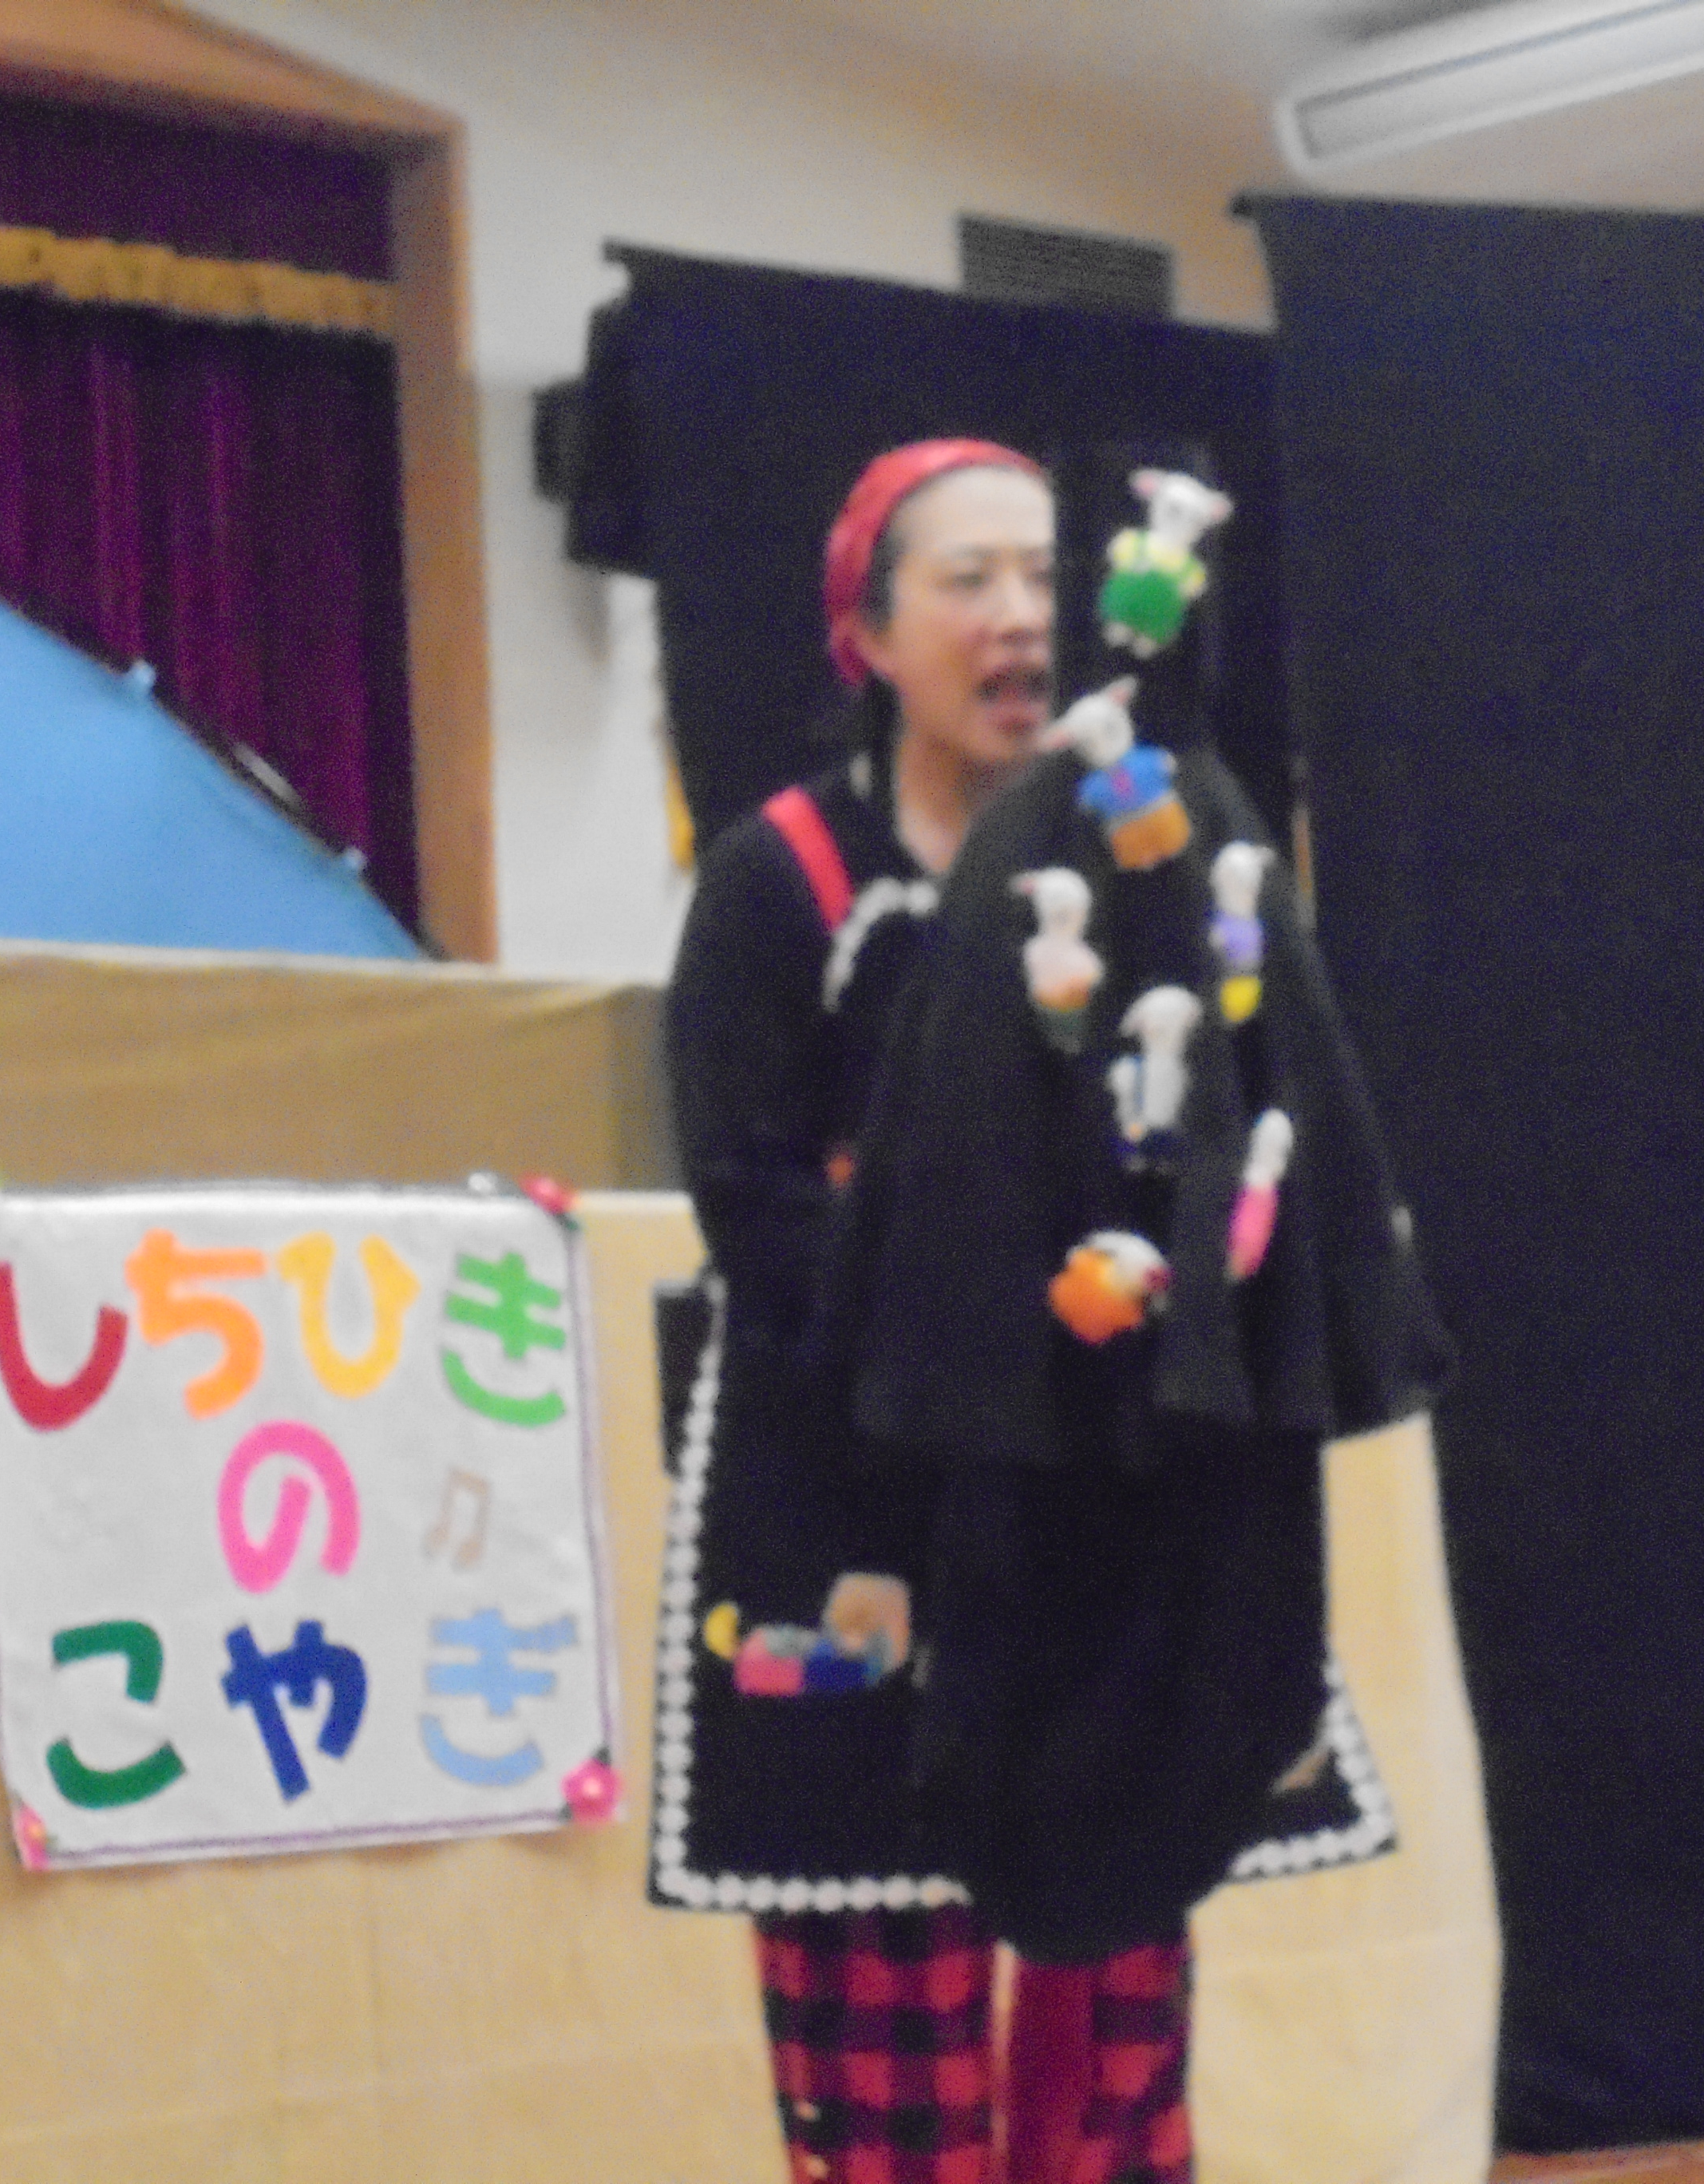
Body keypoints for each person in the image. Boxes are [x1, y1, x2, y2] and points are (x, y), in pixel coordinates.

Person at [659, 440, 1196, 2184]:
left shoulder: (1140, 856)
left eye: (1045, 575)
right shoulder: (778, 878)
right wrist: (978, 1335)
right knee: (883, 2025)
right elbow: (752, 1201)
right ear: (871, 636)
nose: (1020, 614)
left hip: (1088, 1510)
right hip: (852, 1511)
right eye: (970, 580)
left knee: (1115, 2012)